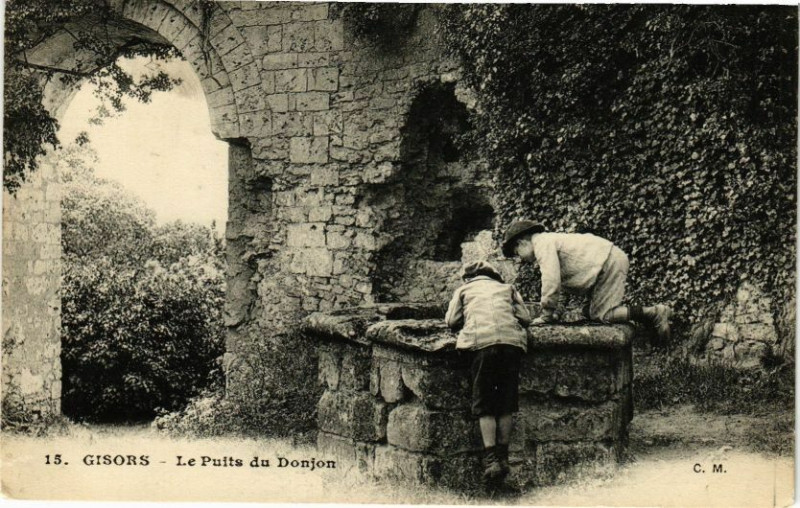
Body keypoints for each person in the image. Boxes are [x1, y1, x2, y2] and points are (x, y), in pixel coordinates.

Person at [500, 220, 672, 341]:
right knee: (590, 314)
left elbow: (551, 281)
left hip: (608, 261)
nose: (520, 258)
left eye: (517, 253)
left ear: (521, 243)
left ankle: (653, 313)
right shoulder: (548, 242)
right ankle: (649, 318)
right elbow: (559, 284)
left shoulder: (542, 244)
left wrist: (546, 315)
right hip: (608, 260)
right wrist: (556, 312)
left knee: (602, 315)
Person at [444, 260, 531, 488]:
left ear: (468, 278)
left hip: (482, 345)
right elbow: (526, 318)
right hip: (512, 345)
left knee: (484, 403)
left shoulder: (463, 290)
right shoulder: (508, 288)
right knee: (506, 403)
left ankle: (491, 458)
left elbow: (451, 321)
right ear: (494, 276)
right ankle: (503, 456)